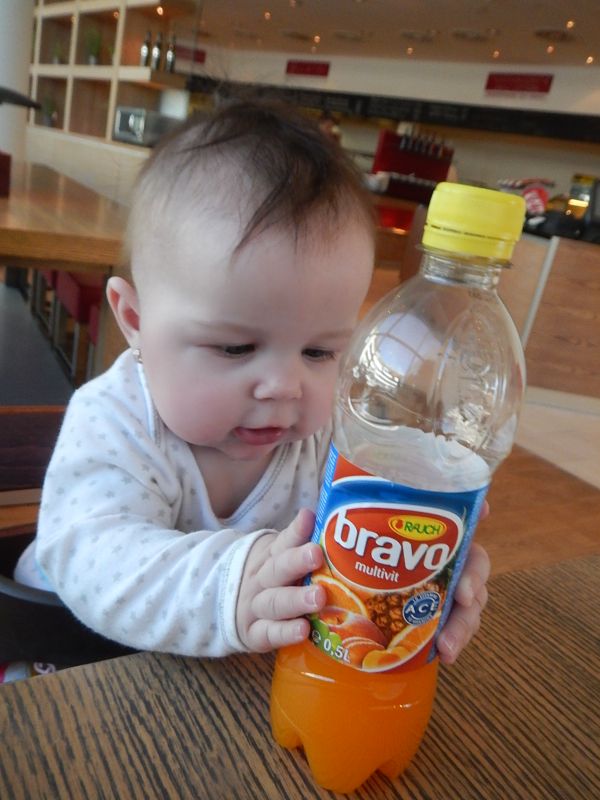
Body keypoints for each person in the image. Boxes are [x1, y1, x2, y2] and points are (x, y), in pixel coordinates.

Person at [15, 100, 489, 662]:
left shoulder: (328, 438)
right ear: (136, 320)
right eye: (235, 347)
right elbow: (96, 562)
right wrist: (235, 585)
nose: (285, 386)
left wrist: (421, 561)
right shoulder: (114, 420)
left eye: (320, 351)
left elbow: (366, 533)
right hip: (64, 655)